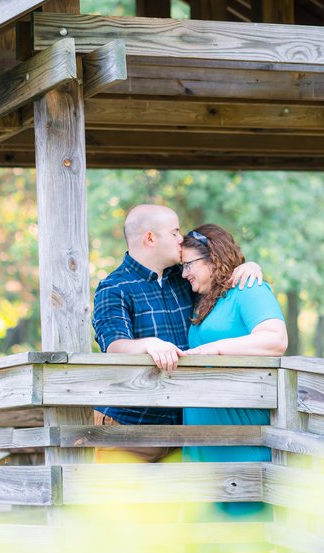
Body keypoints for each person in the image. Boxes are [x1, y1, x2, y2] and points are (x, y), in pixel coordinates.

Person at [91, 205, 262, 462]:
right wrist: (148, 344)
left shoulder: (185, 278)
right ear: (150, 238)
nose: (181, 238)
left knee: (185, 502)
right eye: (174, 232)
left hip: (183, 428)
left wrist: (249, 266)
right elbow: (114, 344)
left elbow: (221, 280)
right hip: (129, 428)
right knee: (126, 502)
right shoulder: (114, 287)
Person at [180, 223, 288, 519]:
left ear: (213, 257)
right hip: (201, 440)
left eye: (188, 265)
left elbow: (275, 339)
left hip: (240, 436)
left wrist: (216, 349)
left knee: (245, 538)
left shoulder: (248, 289)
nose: (184, 273)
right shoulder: (205, 299)